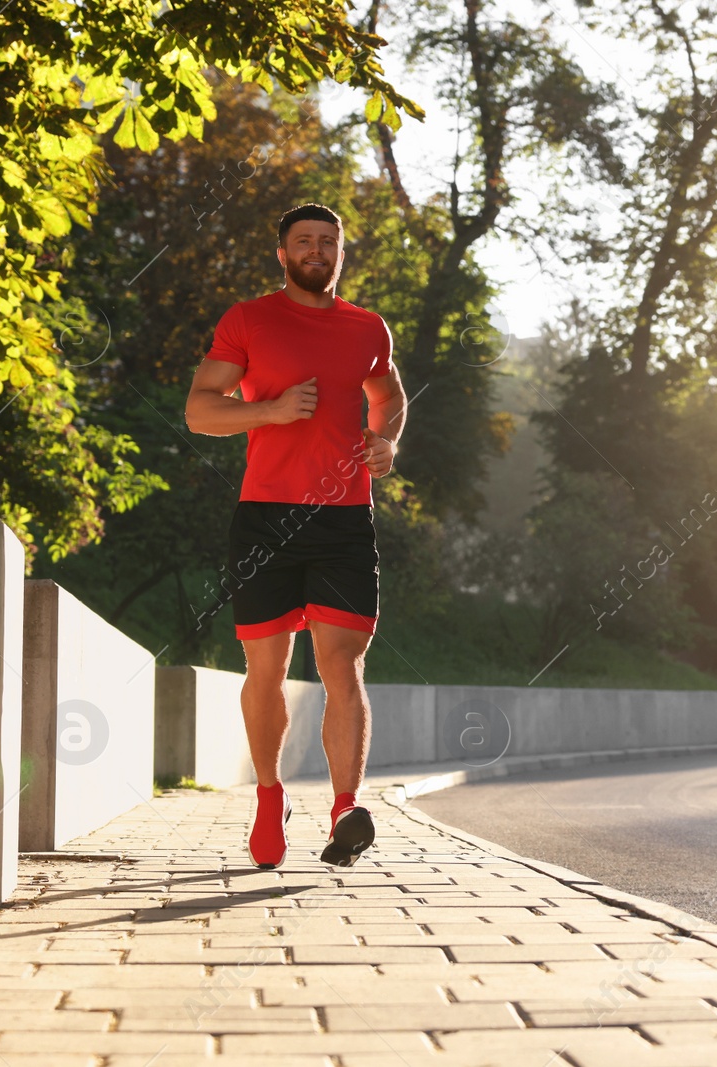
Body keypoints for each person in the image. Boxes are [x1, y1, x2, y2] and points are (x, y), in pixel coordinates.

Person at [185, 203, 407, 869]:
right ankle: (269, 796)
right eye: (304, 241)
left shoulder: (368, 328)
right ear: (282, 254)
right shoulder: (249, 319)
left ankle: (345, 809)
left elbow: (388, 392)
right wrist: (270, 410)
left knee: (342, 663)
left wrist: (387, 440)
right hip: (266, 516)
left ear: (342, 253)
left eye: (328, 242)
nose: (317, 250)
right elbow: (201, 409)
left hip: (343, 519)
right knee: (268, 670)